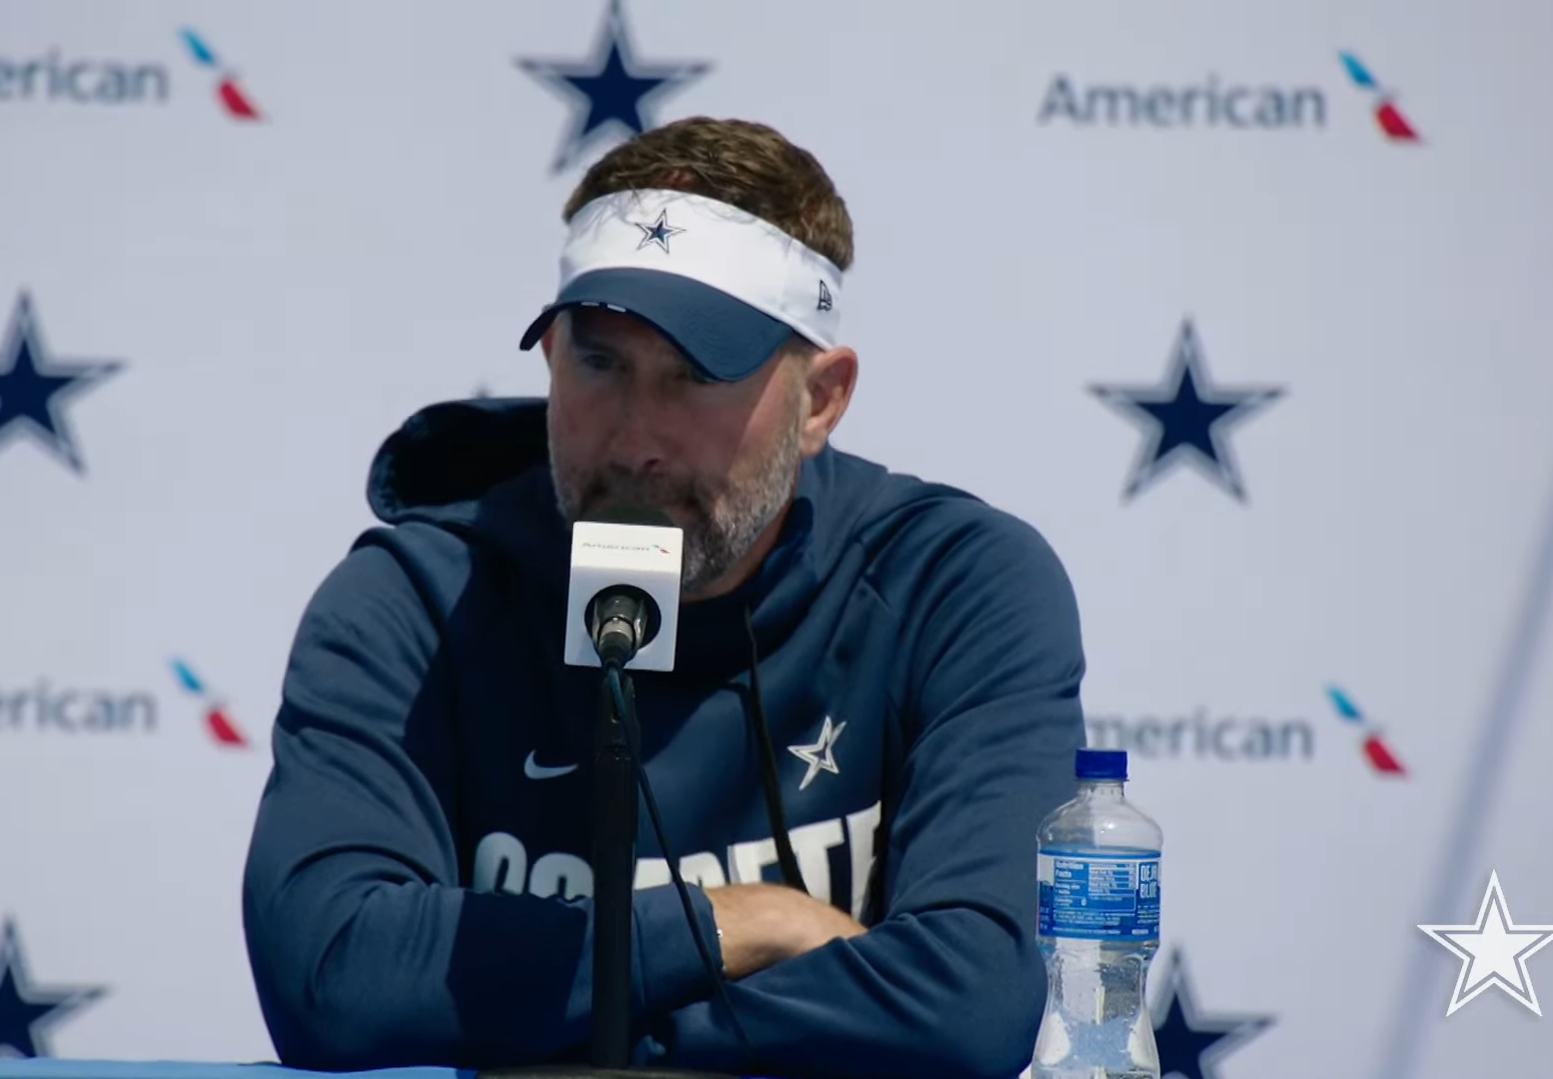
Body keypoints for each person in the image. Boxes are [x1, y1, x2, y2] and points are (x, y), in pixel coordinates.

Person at [241, 116, 1088, 1079]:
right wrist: (748, 923)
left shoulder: (955, 587)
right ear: (549, 353)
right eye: (599, 363)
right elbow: (330, 979)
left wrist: (561, 1027)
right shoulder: (413, 600)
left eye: (695, 376)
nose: (635, 441)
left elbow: (972, 1006)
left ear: (820, 399)